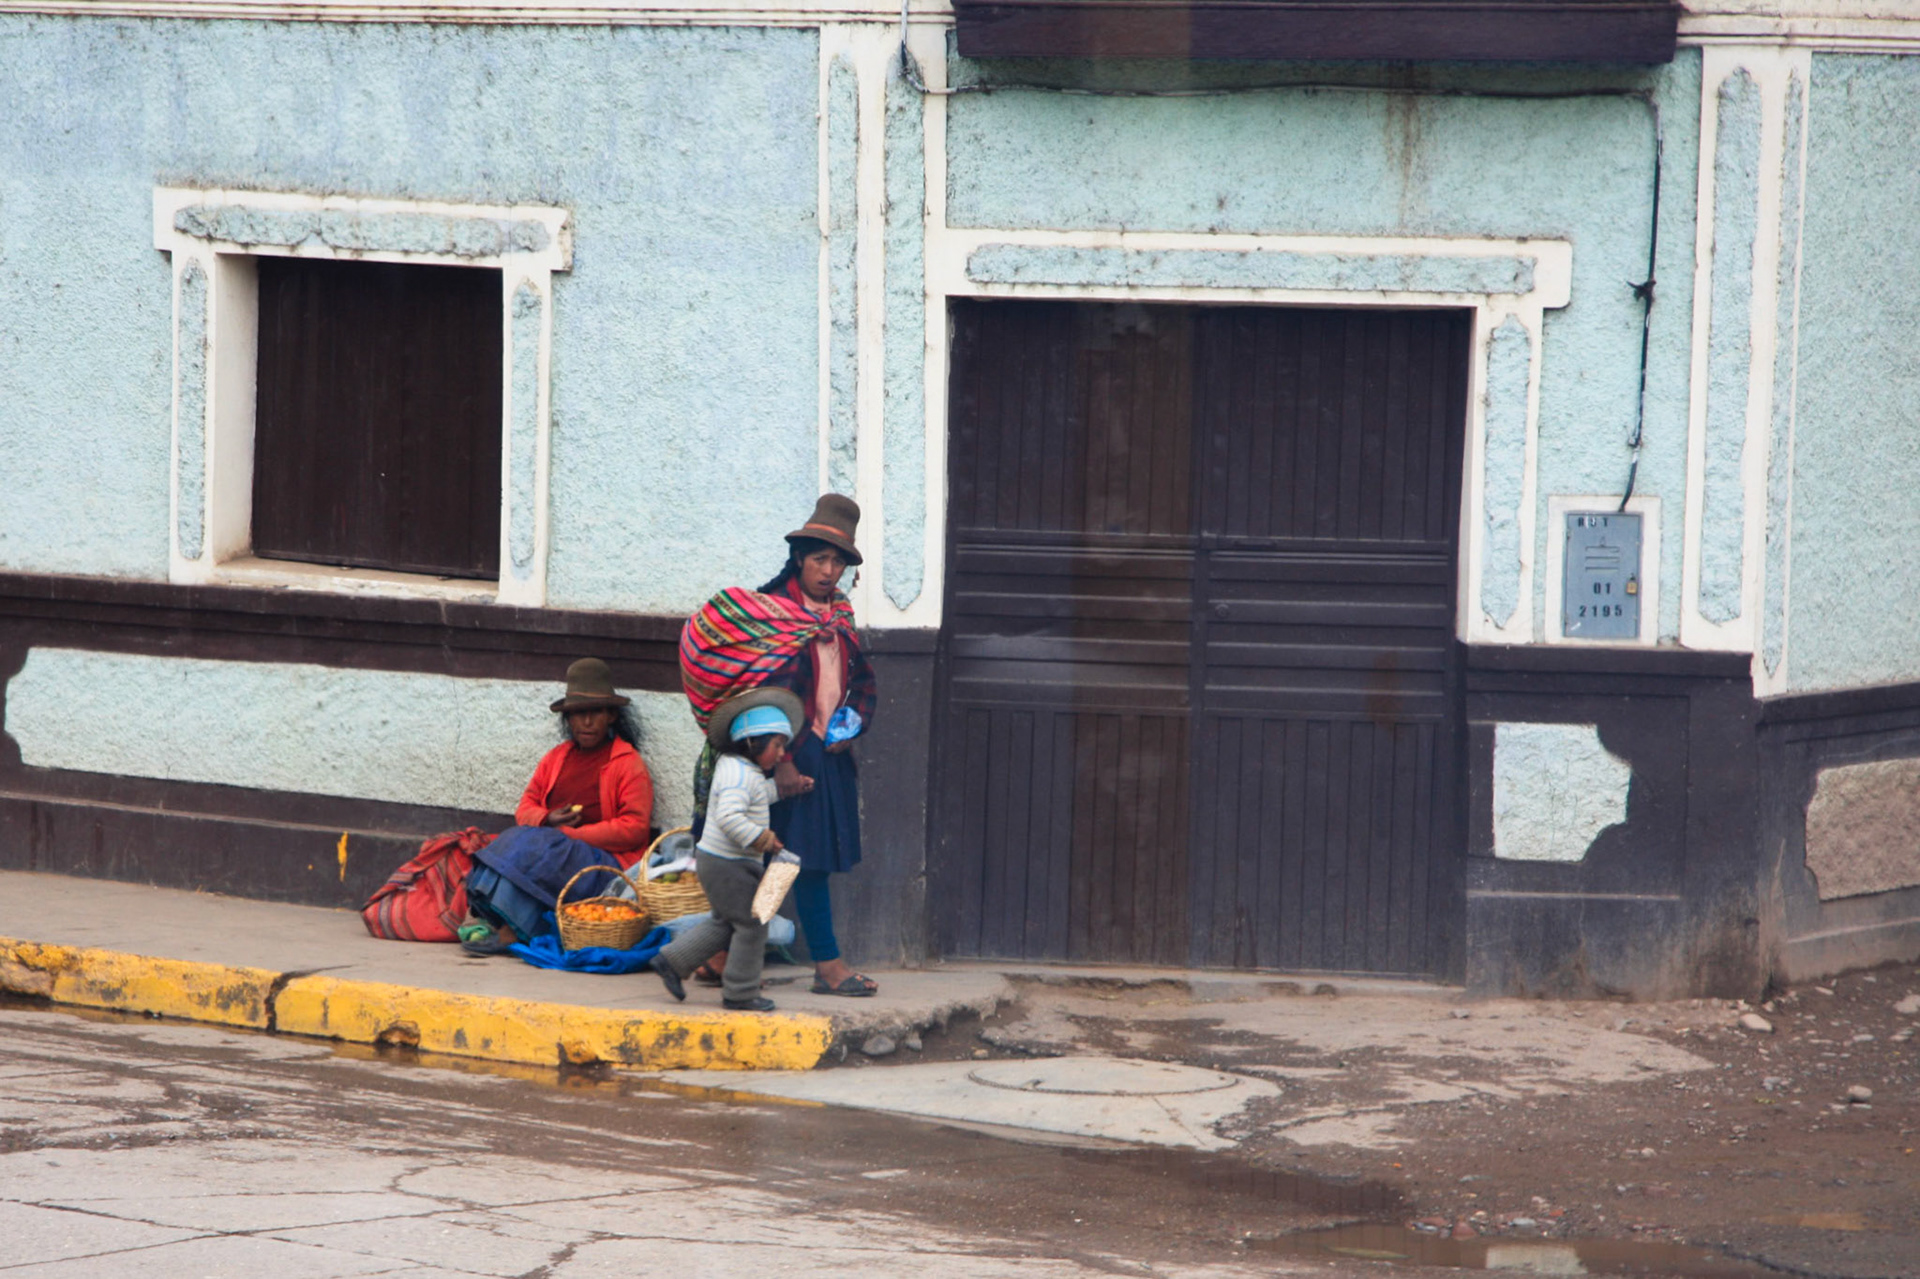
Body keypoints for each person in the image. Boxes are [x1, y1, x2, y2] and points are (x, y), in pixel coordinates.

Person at [760, 495, 878, 997]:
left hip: (825, 752)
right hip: (779, 752)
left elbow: (861, 681)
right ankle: (828, 965)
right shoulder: (772, 612)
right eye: (819, 560)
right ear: (799, 560)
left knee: (789, 862)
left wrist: (848, 726)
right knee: (799, 863)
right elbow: (762, 692)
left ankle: (722, 955)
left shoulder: (840, 615)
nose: (829, 572)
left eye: (838, 563)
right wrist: (782, 759)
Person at [462, 658, 655, 952]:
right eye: (578, 714)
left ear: (611, 716)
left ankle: (514, 930)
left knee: (537, 847)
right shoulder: (556, 758)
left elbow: (635, 828)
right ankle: (499, 919)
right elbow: (525, 807)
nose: (586, 722)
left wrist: (568, 835)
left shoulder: (627, 763)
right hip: (552, 849)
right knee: (510, 839)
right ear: (568, 719)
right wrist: (548, 819)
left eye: (595, 713)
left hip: (603, 864)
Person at [651, 688, 802, 1012]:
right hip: (727, 863)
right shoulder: (736, 773)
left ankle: (672, 961)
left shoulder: (741, 769)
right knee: (752, 923)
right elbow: (729, 816)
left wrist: (785, 789)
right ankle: (741, 993)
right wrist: (762, 839)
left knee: (725, 922)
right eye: (777, 745)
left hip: (723, 862)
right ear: (752, 741)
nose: (780, 754)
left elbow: (756, 796)